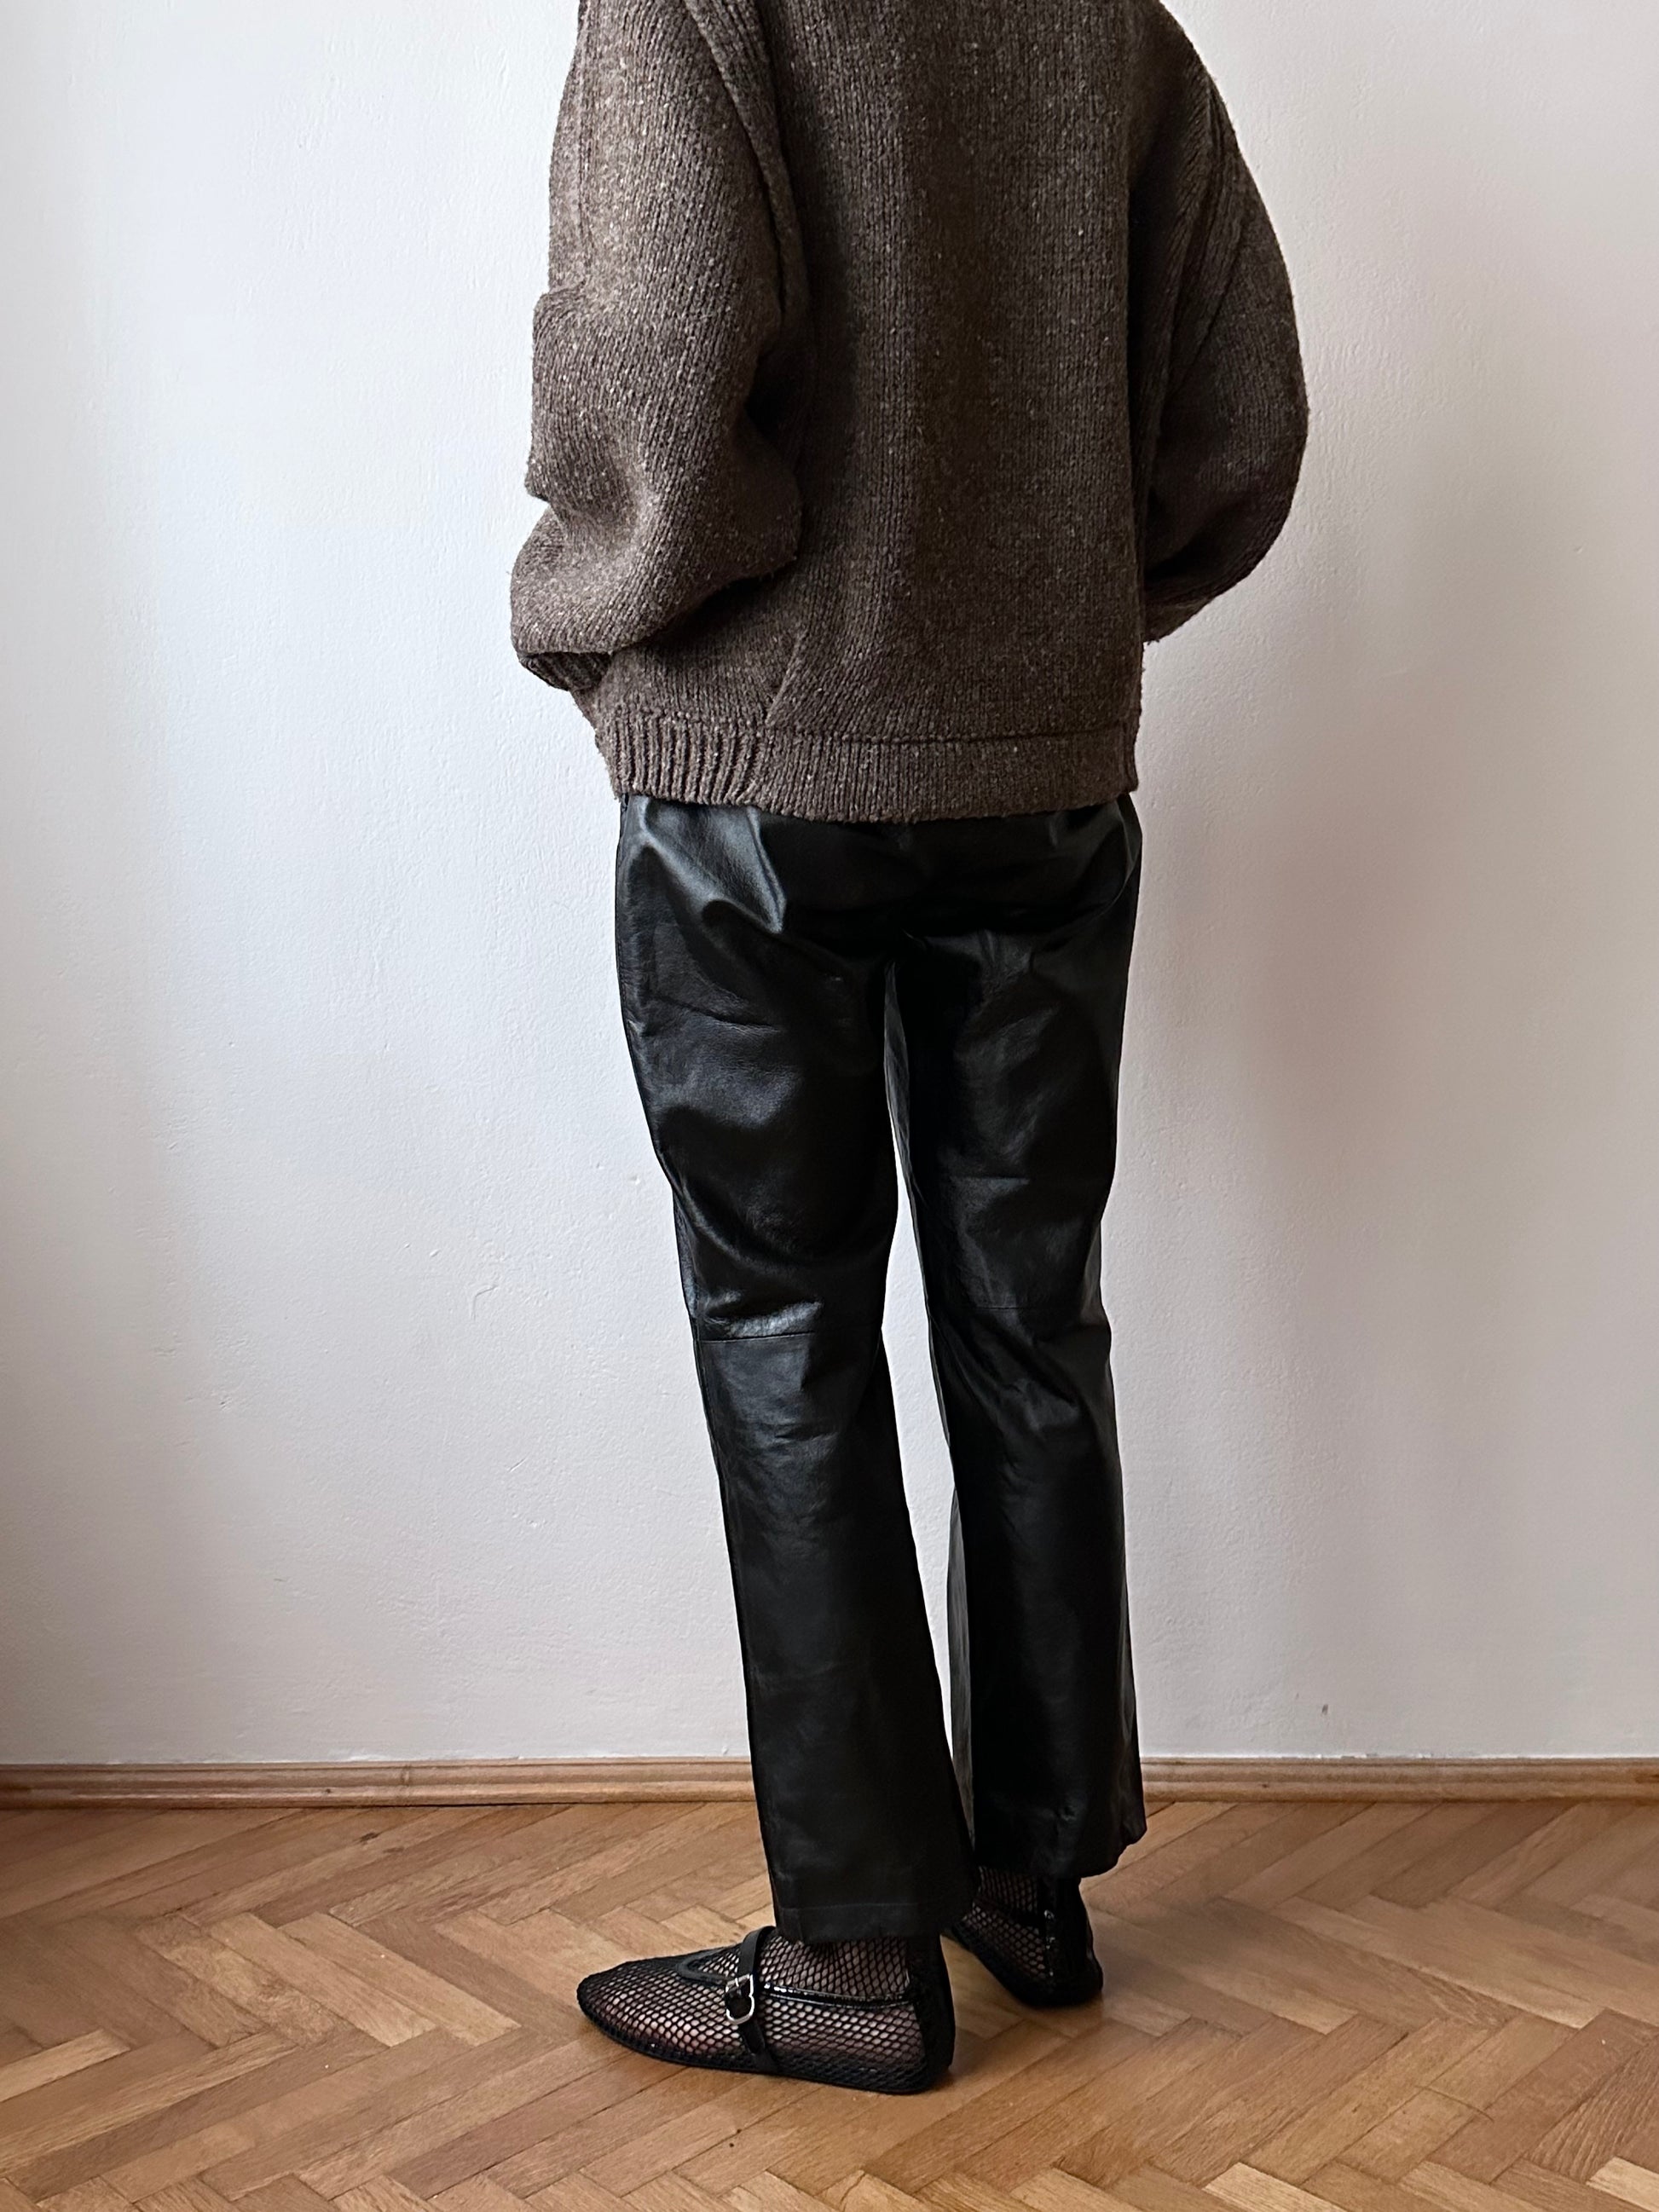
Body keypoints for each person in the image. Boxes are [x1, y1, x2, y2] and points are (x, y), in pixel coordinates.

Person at [510, 0, 1307, 2097]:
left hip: (757, 774)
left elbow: (651, 342)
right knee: (1032, 1314)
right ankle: (1029, 1879)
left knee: (784, 1322)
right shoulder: (1103, 18)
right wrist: (1059, 624)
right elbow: (1240, 414)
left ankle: (852, 1949)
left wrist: (593, 612)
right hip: (1040, 774)